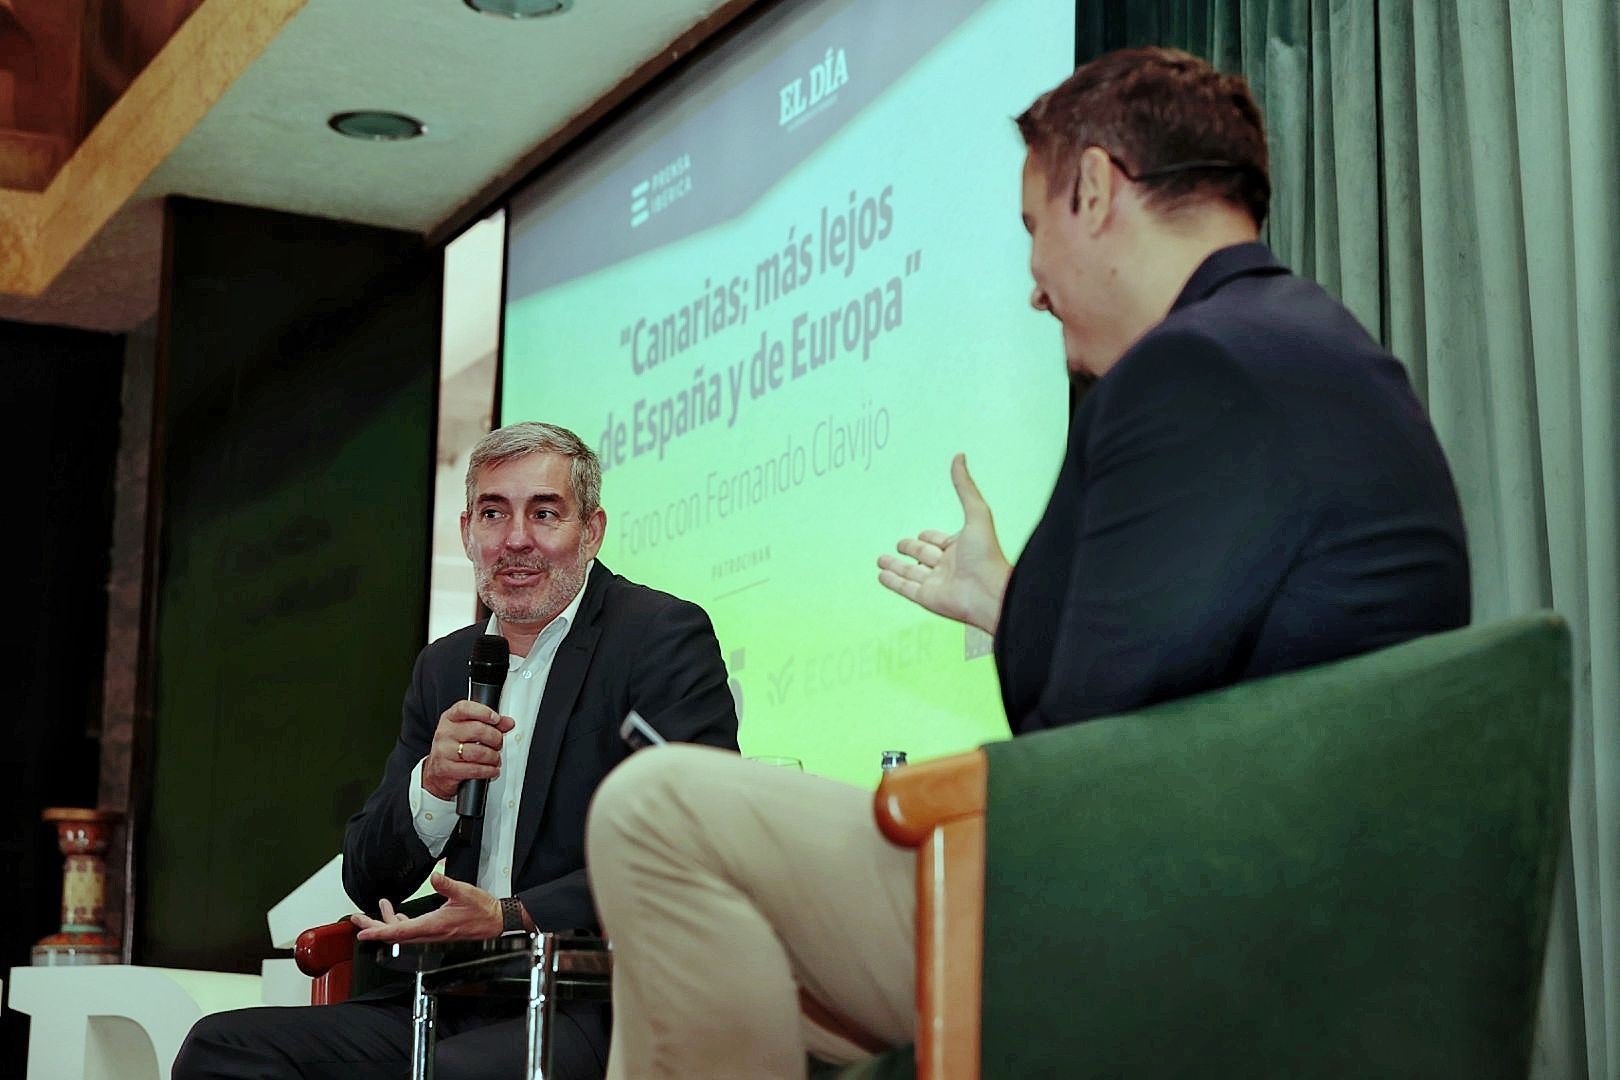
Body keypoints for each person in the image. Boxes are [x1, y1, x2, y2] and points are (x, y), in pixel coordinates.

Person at [583, 46, 1470, 1078]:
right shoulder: (1317, 352)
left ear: (1094, 189)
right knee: (712, 949)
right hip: (1302, 912)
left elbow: (1076, 743)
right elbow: (1211, 664)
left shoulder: (1195, 366)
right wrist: (1015, 602)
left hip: (1176, 926)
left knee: (656, 811)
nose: (1035, 290)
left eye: (1030, 230)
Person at [173, 422, 739, 1079]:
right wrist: (430, 788)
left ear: (592, 532)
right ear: (469, 531)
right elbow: (369, 877)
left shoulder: (658, 637)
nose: (516, 539)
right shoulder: (446, 666)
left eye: (545, 513)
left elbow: (695, 845)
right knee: (221, 1050)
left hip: (594, 998)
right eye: (495, 514)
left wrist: (511, 915)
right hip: (446, 996)